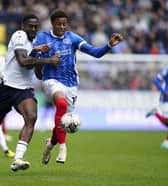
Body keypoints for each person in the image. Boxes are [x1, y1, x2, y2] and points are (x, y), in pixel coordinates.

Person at [32, 10, 123, 164]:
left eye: (64, 24)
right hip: (51, 80)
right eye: (58, 24)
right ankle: (62, 147)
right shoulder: (42, 37)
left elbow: (95, 53)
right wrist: (36, 51)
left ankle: (50, 145)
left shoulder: (72, 38)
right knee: (60, 104)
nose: (62, 26)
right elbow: (32, 57)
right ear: (52, 23)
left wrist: (109, 45)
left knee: (63, 119)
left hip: (71, 84)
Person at [0, 14, 60, 172]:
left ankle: (18, 159)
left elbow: (37, 73)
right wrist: (48, 60)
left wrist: (45, 62)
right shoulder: (18, 35)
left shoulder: (39, 43)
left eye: (36, 26)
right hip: (7, 88)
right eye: (30, 26)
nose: (33, 29)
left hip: (25, 90)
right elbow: (22, 61)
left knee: (31, 117)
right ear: (23, 26)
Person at [146, 66, 168, 149]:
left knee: (167, 123)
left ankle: (166, 143)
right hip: (166, 100)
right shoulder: (166, 70)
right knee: (167, 122)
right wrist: (164, 91)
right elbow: (156, 80)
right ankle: (166, 142)